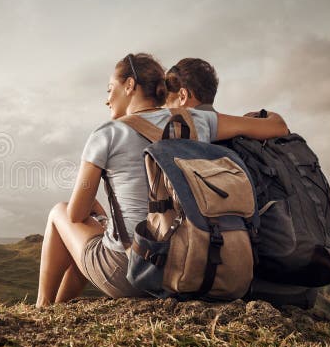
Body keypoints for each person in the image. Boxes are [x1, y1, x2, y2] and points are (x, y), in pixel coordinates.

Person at [35, 53, 289, 307]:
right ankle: (56, 309)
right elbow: (277, 127)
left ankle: (41, 306)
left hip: (132, 272)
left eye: (110, 89)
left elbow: (76, 215)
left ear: (130, 85)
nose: (107, 99)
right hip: (186, 264)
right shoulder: (197, 120)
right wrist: (269, 115)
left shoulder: (107, 134)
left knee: (59, 212)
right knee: (97, 228)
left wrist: (98, 216)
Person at [164, 57, 317, 307]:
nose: (163, 109)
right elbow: (279, 126)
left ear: (182, 95)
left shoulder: (188, 122)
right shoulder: (232, 126)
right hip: (281, 276)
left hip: (217, 270)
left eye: (166, 100)